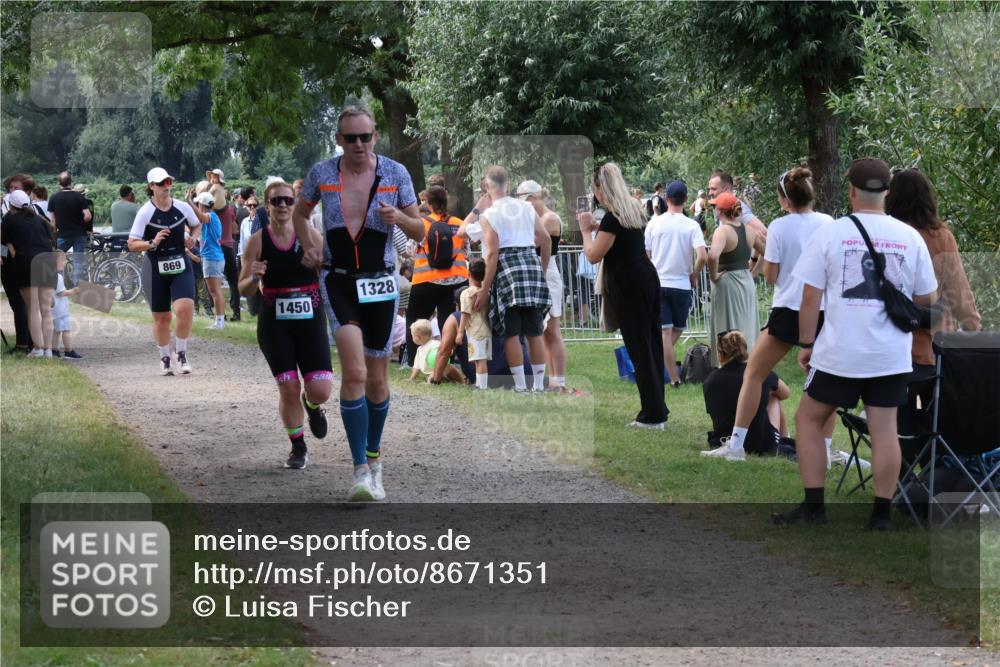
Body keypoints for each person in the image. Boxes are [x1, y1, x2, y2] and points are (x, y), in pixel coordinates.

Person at [774, 158, 938, 531]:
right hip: (890, 354)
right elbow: (927, 299)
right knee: (884, 429)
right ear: (887, 193)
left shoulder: (832, 232)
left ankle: (814, 507)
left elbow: (810, 298)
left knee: (809, 419)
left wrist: (805, 343)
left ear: (850, 191)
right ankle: (881, 515)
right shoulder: (909, 237)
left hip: (838, 353)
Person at [293, 105, 425, 502]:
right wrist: (312, 245)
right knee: (353, 373)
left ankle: (375, 459)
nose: (358, 145)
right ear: (339, 140)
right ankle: (359, 472)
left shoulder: (395, 174)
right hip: (339, 281)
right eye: (350, 138)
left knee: (377, 378)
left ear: (374, 137)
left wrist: (398, 219)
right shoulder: (322, 174)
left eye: (365, 137)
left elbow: (420, 226)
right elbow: (301, 214)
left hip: (381, 281)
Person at [706, 167, 836, 461]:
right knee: (827, 381)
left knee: (753, 373)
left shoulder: (779, 226)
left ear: (783, 200)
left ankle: (736, 445)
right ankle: (826, 452)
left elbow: (771, 274)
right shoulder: (829, 222)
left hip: (788, 308)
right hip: (823, 309)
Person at [238, 180, 332, 470]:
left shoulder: (311, 236)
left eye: (287, 201)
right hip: (275, 323)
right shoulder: (257, 241)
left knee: (321, 389)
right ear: (267, 206)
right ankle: (298, 446)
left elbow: (332, 272)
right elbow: (243, 289)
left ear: (295, 205)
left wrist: (318, 263)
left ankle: (313, 405)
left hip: (310, 319)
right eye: (276, 201)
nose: (282, 205)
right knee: (288, 387)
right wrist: (254, 277)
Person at [886, 169, 982, 443]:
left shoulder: (888, 235)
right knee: (933, 410)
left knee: (899, 413)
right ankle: (931, 467)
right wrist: (974, 328)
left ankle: (901, 469)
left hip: (894, 341)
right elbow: (957, 287)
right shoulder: (939, 236)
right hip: (934, 344)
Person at [577, 162, 668, 429]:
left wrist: (585, 231)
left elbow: (593, 255)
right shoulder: (632, 210)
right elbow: (617, 238)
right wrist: (596, 227)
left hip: (629, 285)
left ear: (600, 188)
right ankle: (656, 408)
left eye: (595, 188)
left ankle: (652, 415)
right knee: (650, 343)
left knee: (639, 347)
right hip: (646, 278)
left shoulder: (612, 217)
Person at [474, 165, 551, 393]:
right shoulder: (526, 207)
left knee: (510, 333)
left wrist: (484, 289)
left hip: (507, 268)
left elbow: (491, 253)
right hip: (531, 265)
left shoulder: (489, 215)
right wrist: (542, 271)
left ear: (487, 186)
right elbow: (545, 239)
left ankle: (520, 386)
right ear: (507, 183)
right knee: (534, 331)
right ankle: (538, 386)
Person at [128, 167, 205, 375]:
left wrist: (193, 239)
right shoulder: (145, 212)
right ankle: (164, 357)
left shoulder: (182, 207)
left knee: (185, 310)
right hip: (155, 267)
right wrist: (152, 243)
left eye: (169, 182)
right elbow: (132, 244)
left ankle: (181, 353)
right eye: (161, 183)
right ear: (151, 186)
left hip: (180, 263)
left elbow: (197, 226)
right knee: (163, 318)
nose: (166, 187)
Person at [645, 180, 707, 386]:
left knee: (666, 332)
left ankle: (657, 360)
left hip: (659, 283)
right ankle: (674, 379)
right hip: (682, 284)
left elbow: (647, 256)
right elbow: (702, 256)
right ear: (686, 199)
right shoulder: (692, 225)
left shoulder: (654, 223)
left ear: (666, 198)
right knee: (677, 329)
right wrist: (694, 274)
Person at [404, 185, 469, 369]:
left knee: (416, 320)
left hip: (426, 281)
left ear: (428, 203)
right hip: (457, 281)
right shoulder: (458, 223)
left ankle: (413, 363)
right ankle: (455, 362)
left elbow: (409, 250)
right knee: (452, 323)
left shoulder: (422, 224)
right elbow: (466, 251)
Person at [701, 330, 790, 459]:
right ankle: (783, 438)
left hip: (723, 439)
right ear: (745, 351)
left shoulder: (710, 380)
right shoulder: (759, 374)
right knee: (774, 397)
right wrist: (766, 390)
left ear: (720, 355)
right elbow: (786, 393)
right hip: (761, 442)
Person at [517, 179, 568, 391]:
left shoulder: (549, 218)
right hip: (535, 273)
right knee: (541, 331)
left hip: (548, 274)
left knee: (552, 331)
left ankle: (560, 378)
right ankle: (548, 378)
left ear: (533, 198)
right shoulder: (534, 218)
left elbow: (532, 241)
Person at [706, 192, 764, 367]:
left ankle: (728, 365)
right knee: (746, 324)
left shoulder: (722, 231)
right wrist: (753, 273)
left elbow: (712, 256)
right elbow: (767, 251)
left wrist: (713, 275)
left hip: (727, 283)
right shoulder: (749, 230)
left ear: (720, 211)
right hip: (745, 282)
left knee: (728, 325)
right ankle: (749, 362)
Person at [3, 190, 57, 357]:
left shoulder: (8, 220)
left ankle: (37, 348)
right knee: (46, 309)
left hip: (27, 262)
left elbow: (7, 245)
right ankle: (49, 349)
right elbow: (50, 241)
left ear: (11, 205)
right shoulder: (38, 219)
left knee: (32, 309)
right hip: (47, 261)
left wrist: (16, 257)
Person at [48, 171, 92, 285]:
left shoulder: (53, 198)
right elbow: (88, 216)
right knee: (78, 262)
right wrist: (80, 222)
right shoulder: (79, 197)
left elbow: (52, 221)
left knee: (56, 261)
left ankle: (58, 284)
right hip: (79, 233)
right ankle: (76, 286)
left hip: (62, 234)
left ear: (59, 183)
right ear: (70, 182)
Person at [192, 192, 227, 329]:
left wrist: (188, 201)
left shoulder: (210, 216)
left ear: (202, 204)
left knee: (215, 291)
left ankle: (219, 322)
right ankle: (219, 322)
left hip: (212, 258)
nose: (197, 206)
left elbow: (201, 216)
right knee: (215, 291)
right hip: (213, 257)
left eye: (197, 204)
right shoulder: (212, 217)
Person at [707, 170, 766, 243]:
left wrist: (753, 254)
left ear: (726, 189)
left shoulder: (738, 207)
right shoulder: (724, 207)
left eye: (713, 189)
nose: (710, 193)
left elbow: (763, 232)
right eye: (709, 189)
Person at [460, 259, 492, 389]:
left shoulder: (467, 293)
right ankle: (480, 384)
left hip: (475, 330)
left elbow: (465, 314)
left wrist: (459, 332)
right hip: (486, 329)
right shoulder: (486, 292)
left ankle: (482, 387)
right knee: (479, 359)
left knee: (480, 360)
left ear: (468, 274)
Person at [409, 318, 464, 383]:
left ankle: (461, 380)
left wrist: (450, 352)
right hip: (431, 373)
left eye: (412, 336)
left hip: (441, 369)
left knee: (448, 367)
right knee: (431, 377)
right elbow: (417, 366)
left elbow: (445, 349)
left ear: (417, 337)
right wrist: (411, 378)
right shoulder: (419, 349)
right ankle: (440, 380)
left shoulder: (435, 344)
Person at [51, 250, 81, 359]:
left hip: (55, 310)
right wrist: (73, 291)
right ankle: (69, 351)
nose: (64, 263)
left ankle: (54, 350)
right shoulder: (58, 277)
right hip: (60, 310)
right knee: (66, 330)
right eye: (63, 260)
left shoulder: (50, 275)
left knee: (56, 330)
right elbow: (60, 293)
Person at [238, 195, 264, 316]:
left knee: (262, 283)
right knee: (250, 282)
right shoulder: (244, 222)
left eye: (255, 205)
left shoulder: (263, 220)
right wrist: (243, 260)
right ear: (246, 207)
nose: (252, 207)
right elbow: (242, 242)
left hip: (261, 256)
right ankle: (253, 310)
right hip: (249, 257)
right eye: (250, 205)